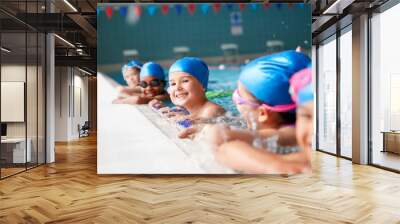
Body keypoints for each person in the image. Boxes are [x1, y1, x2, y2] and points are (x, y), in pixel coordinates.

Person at [202, 51, 311, 174]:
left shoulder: (289, 133)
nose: (234, 100)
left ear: (263, 113)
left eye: (239, 97)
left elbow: (224, 142)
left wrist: (218, 132)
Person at [152, 57, 225, 138]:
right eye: (173, 84)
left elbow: (205, 125)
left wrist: (186, 118)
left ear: (203, 85)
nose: (177, 87)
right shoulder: (185, 109)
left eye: (185, 81)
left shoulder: (212, 110)